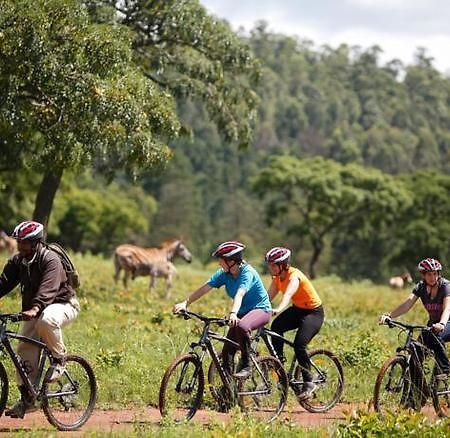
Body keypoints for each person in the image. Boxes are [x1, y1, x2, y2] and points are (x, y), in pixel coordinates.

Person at [0, 221, 80, 418]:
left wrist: (36, 307)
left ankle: (59, 359)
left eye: (25, 242)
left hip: (63, 305)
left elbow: (49, 288)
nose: (21, 246)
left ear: (36, 242)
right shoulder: (18, 261)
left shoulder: (50, 259)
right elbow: (3, 284)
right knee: (24, 352)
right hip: (34, 310)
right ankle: (27, 400)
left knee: (47, 320)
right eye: (19, 242)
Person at [173, 241, 272, 378]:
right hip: (241, 312)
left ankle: (247, 365)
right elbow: (205, 288)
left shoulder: (247, 273)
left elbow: (240, 294)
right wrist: (185, 303)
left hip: (261, 310)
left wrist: (233, 313)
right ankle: (229, 391)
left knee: (243, 326)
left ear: (231, 261)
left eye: (221, 260)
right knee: (227, 352)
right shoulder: (224, 274)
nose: (219, 263)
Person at [265, 246, 324, 400]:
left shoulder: (294, 276)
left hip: (313, 313)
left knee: (299, 344)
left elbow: (289, 294)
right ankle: (279, 362)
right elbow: (266, 298)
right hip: (298, 310)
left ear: (283, 265)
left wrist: (278, 309)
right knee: (276, 326)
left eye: (272, 264)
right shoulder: (277, 278)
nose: (270, 267)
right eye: (269, 264)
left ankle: (309, 382)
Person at [379, 258, 450, 380]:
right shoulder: (421, 287)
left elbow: (447, 308)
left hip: (447, 322)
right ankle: (414, 396)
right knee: (415, 350)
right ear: (423, 275)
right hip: (433, 324)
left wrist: (442, 324)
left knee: (434, 337)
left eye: (435, 273)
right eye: (429, 274)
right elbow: (407, 304)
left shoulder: (445, 286)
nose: (433, 277)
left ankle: (445, 368)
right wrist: (390, 316)